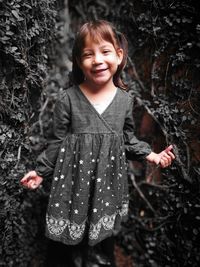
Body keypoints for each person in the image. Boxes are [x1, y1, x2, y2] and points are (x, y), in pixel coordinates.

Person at [21, 20, 175, 266]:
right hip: (73, 182)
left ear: (119, 55)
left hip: (107, 182)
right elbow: (57, 141)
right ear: (79, 62)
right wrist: (40, 172)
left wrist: (152, 156)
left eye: (105, 51)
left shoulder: (125, 100)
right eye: (88, 54)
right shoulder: (68, 99)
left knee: (101, 243)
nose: (98, 60)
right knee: (65, 247)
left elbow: (126, 138)